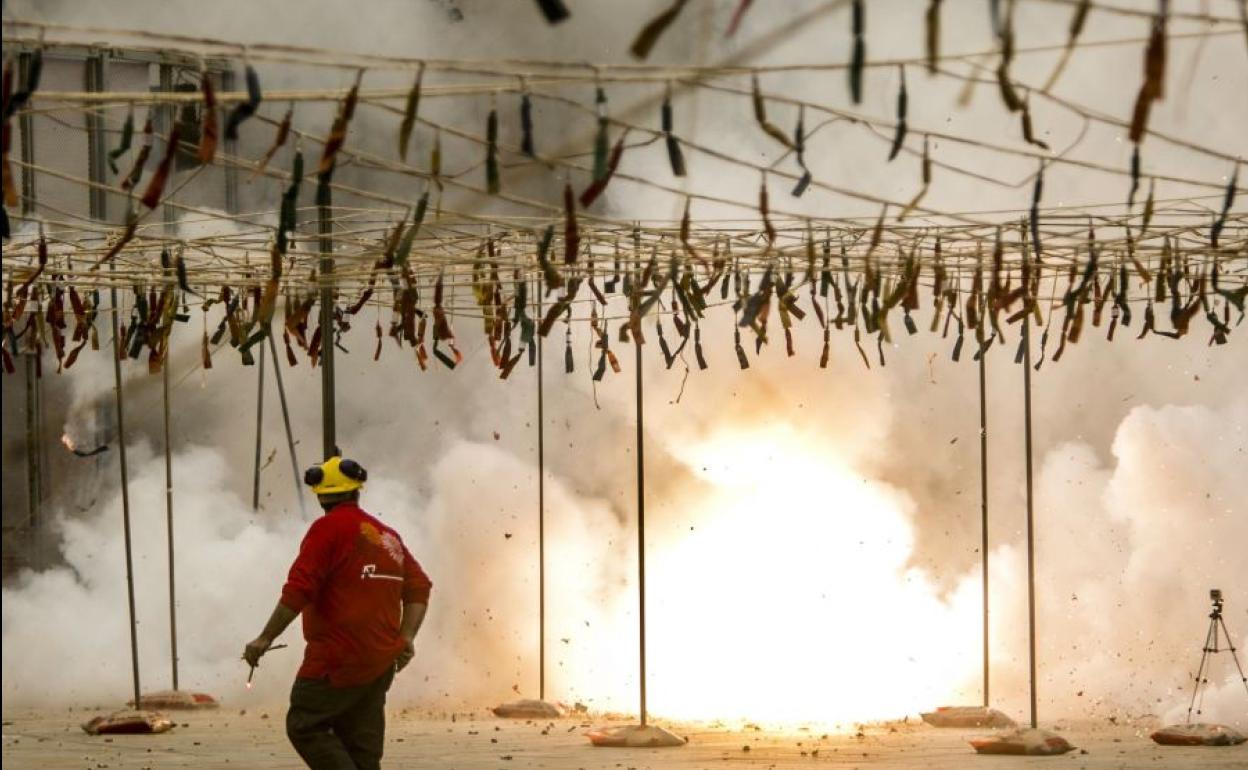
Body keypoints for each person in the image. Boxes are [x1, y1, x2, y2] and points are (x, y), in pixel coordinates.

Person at [243, 455, 432, 770]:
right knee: (363, 751)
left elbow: (300, 588)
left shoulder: (327, 529)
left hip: (336, 658)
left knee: (306, 725)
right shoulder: (386, 535)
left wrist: (265, 637)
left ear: (320, 495)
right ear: (357, 490)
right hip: (380, 659)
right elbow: (420, 587)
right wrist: (407, 637)